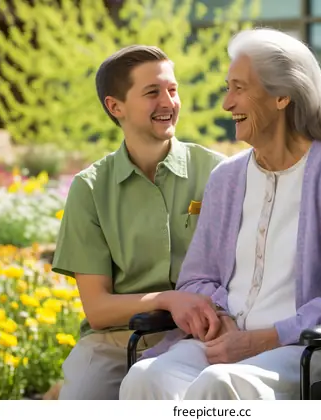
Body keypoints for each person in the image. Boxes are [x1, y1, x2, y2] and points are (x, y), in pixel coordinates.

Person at [119, 28, 321, 400]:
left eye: (238, 88)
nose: (227, 103)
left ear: (282, 96)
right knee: (144, 377)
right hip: (226, 342)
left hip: (307, 349)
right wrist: (219, 318)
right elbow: (196, 279)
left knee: (220, 385)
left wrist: (263, 340)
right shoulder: (227, 177)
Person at [51, 45, 226, 400]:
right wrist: (169, 299)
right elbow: (98, 309)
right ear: (115, 107)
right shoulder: (90, 188)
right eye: (152, 93)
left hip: (206, 334)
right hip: (116, 340)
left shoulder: (219, 172)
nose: (168, 102)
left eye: (172, 90)